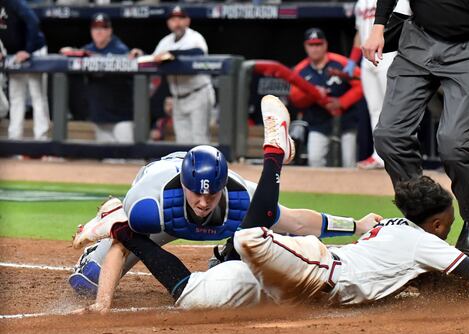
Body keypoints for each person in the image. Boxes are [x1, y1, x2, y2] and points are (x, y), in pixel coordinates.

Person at [72, 95, 381, 312]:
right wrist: (102, 304)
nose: (204, 202)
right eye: (197, 193)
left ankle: (224, 255)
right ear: (184, 185)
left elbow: (298, 222)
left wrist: (357, 225)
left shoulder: (240, 197)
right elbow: (122, 245)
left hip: (197, 205)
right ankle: (109, 212)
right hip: (155, 193)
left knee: (274, 240)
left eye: (212, 194)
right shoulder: (151, 206)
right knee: (87, 282)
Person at [233, 174, 469, 310]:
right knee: (249, 238)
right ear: (436, 224)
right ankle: (273, 157)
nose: (446, 230)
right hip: (318, 268)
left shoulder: (395, 228)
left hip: (316, 274)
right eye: (448, 224)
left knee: (235, 281)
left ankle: (228, 261)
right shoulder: (420, 241)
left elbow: (440, 290)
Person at [361, 0, 469, 259]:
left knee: (454, 144)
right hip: (418, 40)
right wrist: (378, 26)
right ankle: (427, 215)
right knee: (389, 136)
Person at [131, 6, 214, 144]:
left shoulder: (195, 38)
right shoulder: (166, 42)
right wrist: (142, 55)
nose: (177, 23)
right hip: (177, 98)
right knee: (182, 142)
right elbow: (155, 59)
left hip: (198, 94)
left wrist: (172, 55)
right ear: (168, 23)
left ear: (187, 21)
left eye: (181, 19)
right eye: (173, 19)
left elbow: (198, 53)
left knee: (200, 141)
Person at [348, 0, 412, 169]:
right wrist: (352, 61)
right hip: (366, 59)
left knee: (394, 109)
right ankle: (379, 155)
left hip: (389, 54)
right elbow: (359, 33)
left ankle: (400, 154)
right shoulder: (360, 3)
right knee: (375, 109)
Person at [289, 28, 363, 168]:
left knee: (349, 163)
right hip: (318, 122)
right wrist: (313, 94)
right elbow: (295, 98)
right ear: (305, 46)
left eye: (318, 44)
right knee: (315, 160)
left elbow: (362, 83)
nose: (315, 49)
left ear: (325, 45)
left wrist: (342, 102)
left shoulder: (341, 62)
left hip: (345, 121)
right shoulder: (300, 70)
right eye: (311, 45)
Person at [60, 13, 134, 143]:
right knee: (108, 160)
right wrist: (70, 52)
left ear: (110, 30)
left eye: (103, 28)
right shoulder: (88, 49)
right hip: (100, 116)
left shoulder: (120, 49)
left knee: (130, 159)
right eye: (95, 28)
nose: (99, 31)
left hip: (122, 116)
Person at [0, 0, 50, 140]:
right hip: (14, 54)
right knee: (16, 97)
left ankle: (41, 139)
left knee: (37, 95)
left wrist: (27, 50)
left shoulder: (14, 2)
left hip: (34, 50)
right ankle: (14, 139)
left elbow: (33, 21)